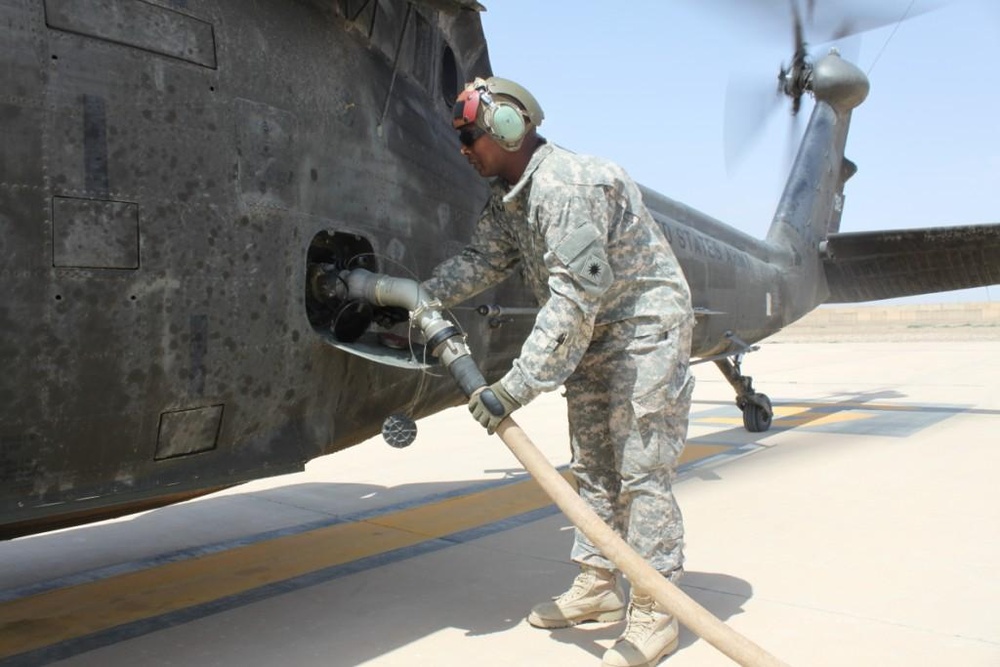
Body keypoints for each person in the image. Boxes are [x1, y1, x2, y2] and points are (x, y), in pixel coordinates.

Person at [421, 76, 695, 667]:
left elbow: (572, 299)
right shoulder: (512, 197)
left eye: (470, 136)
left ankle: (656, 604)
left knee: (642, 468)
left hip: (643, 331)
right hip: (598, 334)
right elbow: (482, 261)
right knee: (594, 464)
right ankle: (598, 585)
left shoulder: (568, 185)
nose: (464, 150)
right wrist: (421, 298)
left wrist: (514, 388)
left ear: (508, 128)